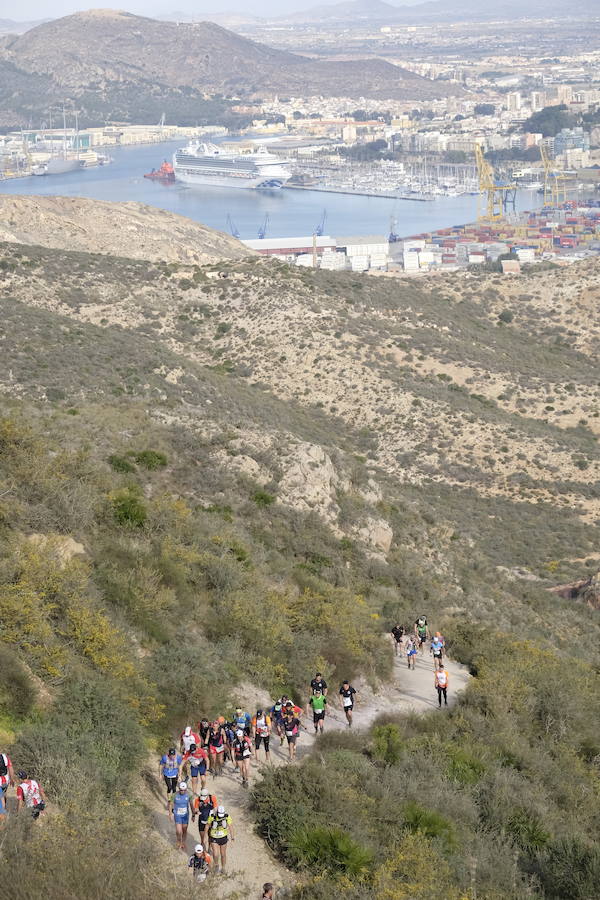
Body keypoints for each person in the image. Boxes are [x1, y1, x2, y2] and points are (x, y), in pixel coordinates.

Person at [207, 805, 234, 874]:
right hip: (214, 837)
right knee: (216, 854)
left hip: (223, 837)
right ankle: (216, 865)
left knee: (223, 854)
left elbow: (231, 826)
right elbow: (207, 826)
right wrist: (204, 837)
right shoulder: (212, 816)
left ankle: (223, 868)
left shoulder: (227, 816)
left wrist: (232, 837)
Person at [170, 780, 194, 851]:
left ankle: (183, 842)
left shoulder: (189, 795)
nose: (182, 791)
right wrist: (170, 813)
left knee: (184, 830)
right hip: (177, 815)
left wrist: (193, 815)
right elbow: (171, 804)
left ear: (186, 789)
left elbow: (191, 805)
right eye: (181, 790)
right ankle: (178, 841)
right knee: (178, 831)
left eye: (184, 790)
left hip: (185, 815)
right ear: (179, 789)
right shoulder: (174, 795)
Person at [193, 787, 217, 851]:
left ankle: (209, 848)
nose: (203, 800)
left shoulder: (212, 798)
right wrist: (197, 812)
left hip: (210, 821)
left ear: (207, 795)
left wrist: (213, 816)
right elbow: (195, 809)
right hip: (202, 820)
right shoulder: (197, 800)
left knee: (210, 837)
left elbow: (215, 809)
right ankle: (203, 852)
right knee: (203, 838)